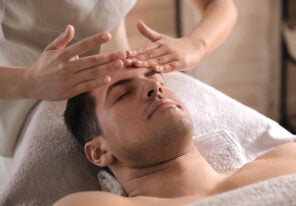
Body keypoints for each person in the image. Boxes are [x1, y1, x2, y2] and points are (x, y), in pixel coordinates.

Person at [0, 0, 237, 157]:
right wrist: (29, 81)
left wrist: (197, 44)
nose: (155, 88)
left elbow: (217, 4)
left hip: (123, 73)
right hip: (26, 94)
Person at [55, 67, 296, 206]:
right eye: (124, 93)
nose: (155, 87)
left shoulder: (287, 158)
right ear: (99, 151)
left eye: (158, 80)